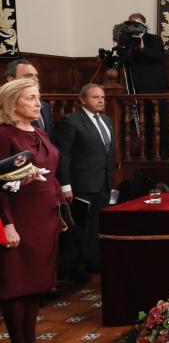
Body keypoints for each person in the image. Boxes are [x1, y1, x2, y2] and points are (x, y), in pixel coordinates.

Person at [0, 79, 64, 343]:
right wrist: (7, 224)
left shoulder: (39, 132)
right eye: (30, 98)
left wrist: (60, 211)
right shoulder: (4, 134)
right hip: (18, 217)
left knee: (36, 284)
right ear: (12, 102)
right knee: (15, 285)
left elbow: (51, 174)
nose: (39, 103)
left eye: (38, 97)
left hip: (44, 218)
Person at [53, 84, 114, 283]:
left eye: (103, 97)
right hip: (80, 185)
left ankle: (93, 262)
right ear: (82, 100)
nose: (100, 100)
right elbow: (63, 156)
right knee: (79, 229)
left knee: (96, 227)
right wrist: (65, 185)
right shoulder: (71, 121)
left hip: (102, 184)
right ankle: (78, 268)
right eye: (95, 97)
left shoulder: (106, 120)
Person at [126, 12, 169, 159]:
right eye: (131, 24)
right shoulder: (128, 42)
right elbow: (123, 60)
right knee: (146, 123)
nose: (134, 27)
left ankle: (163, 151)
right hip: (138, 89)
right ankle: (148, 151)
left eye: (136, 23)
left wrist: (143, 49)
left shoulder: (154, 39)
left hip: (158, 88)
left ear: (144, 25)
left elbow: (159, 56)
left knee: (161, 122)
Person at [4, 60, 53, 138]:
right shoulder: (3, 107)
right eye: (28, 75)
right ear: (11, 80)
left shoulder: (45, 106)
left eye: (36, 76)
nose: (36, 80)